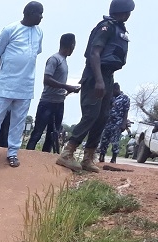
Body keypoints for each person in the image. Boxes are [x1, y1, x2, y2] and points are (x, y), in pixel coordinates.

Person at [57, 0, 134, 173]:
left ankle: (88, 158)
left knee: (102, 117)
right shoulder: (106, 27)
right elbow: (94, 53)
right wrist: (98, 80)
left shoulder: (119, 28)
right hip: (95, 75)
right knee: (91, 114)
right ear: (122, 11)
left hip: (107, 76)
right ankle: (67, 153)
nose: (130, 14)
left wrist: (105, 80)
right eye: (128, 11)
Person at [0, 2, 45, 168]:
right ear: (29, 13)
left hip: (25, 86)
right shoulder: (10, 29)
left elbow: (33, 54)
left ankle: (12, 153)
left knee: (18, 122)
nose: (41, 17)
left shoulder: (39, 33)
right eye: (39, 13)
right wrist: (6, 71)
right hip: (6, 84)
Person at [27, 34, 80, 153]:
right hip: (47, 102)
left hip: (59, 103)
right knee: (37, 132)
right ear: (71, 45)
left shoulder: (64, 61)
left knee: (52, 134)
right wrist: (67, 87)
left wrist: (70, 89)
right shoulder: (54, 59)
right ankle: (27, 157)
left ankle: (45, 161)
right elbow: (47, 79)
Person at [98, 82, 131, 162]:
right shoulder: (110, 97)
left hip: (118, 123)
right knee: (104, 140)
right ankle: (102, 156)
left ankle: (114, 158)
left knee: (115, 141)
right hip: (107, 122)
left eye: (113, 91)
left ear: (117, 89)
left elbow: (126, 112)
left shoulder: (125, 98)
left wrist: (124, 124)